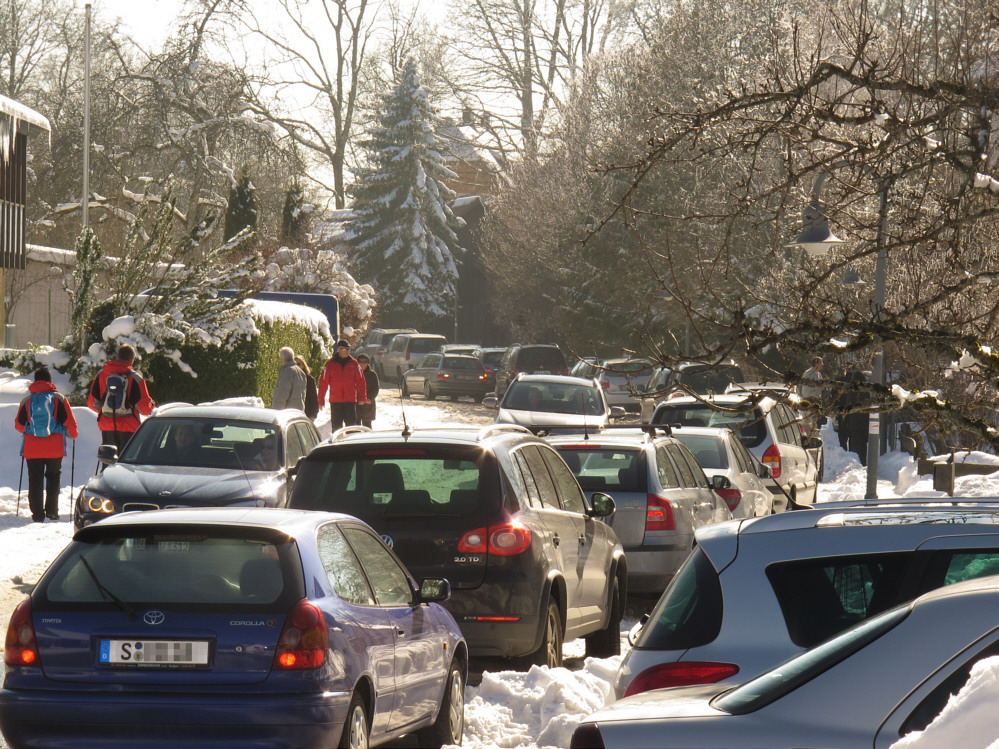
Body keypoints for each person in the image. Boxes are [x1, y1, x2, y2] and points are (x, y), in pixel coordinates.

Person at [15, 367, 79, 522]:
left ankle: (37, 514)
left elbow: (18, 425)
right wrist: (73, 435)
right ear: (50, 381)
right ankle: (52, 511)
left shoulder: (27, 400)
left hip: (32, 448)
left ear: (35, 381)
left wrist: (31, 430)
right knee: (53, 477)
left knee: (35, 479)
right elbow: (69, 422)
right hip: (54, 447)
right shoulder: (59, 399)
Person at [88, 344, 155, 453]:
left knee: (108, 461)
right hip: (129, 426)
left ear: (117, 356)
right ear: (132, 359)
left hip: (107, 426)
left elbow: (92, 403)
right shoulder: (136, 378)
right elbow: (144, 409)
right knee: (125, 464)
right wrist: (151, 405)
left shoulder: (101, 374)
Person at [318, 340, 367, 430]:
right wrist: (321, 400)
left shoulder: (354, 363)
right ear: (338, 349)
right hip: (336, 401)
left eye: (348, 349)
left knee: (351, 428)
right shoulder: (330, 364)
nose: (346, 351)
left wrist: (363, 397)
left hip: (350, 401)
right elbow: (323, 383)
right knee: (336, 428)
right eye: (344, 349)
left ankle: (350, 444)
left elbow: (361, 381)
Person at [272, 346, 307, 411]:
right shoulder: (301, 373)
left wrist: (275, 412)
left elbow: (282, 395)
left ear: (282, 359)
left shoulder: (288, 372)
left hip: (287, 412)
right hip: (298, 411)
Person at [800, 356, 825, 436]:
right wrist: (817, 386)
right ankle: (809, 436)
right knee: (808, 422)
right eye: (821, 363)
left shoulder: (819, 374)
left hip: (817, 400)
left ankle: (816, 435)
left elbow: (821, 385)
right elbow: (808, 387)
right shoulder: (808, 373)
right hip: (809, 400)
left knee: (817, 421)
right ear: (816, 364)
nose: (822, 365)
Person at [356, 353, 380, 428]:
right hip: (356, 404)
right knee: (356, 427)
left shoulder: (372, 374)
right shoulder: (354, 373)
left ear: (368, 363)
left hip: (368, 404)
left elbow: (375, 388)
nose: (362, 364)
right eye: (360, 361)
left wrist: (369, 398)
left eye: (365, 362)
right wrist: (357, 399)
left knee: (367, 427)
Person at [294, 355, 320, 421]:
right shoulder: (289, 379)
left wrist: (313, 415)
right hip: (293, 413)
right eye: (295, 364)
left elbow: (313, 398)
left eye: (299, 364)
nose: (297, 366)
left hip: (306, 414)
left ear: (303, 365)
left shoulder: (309, 379)